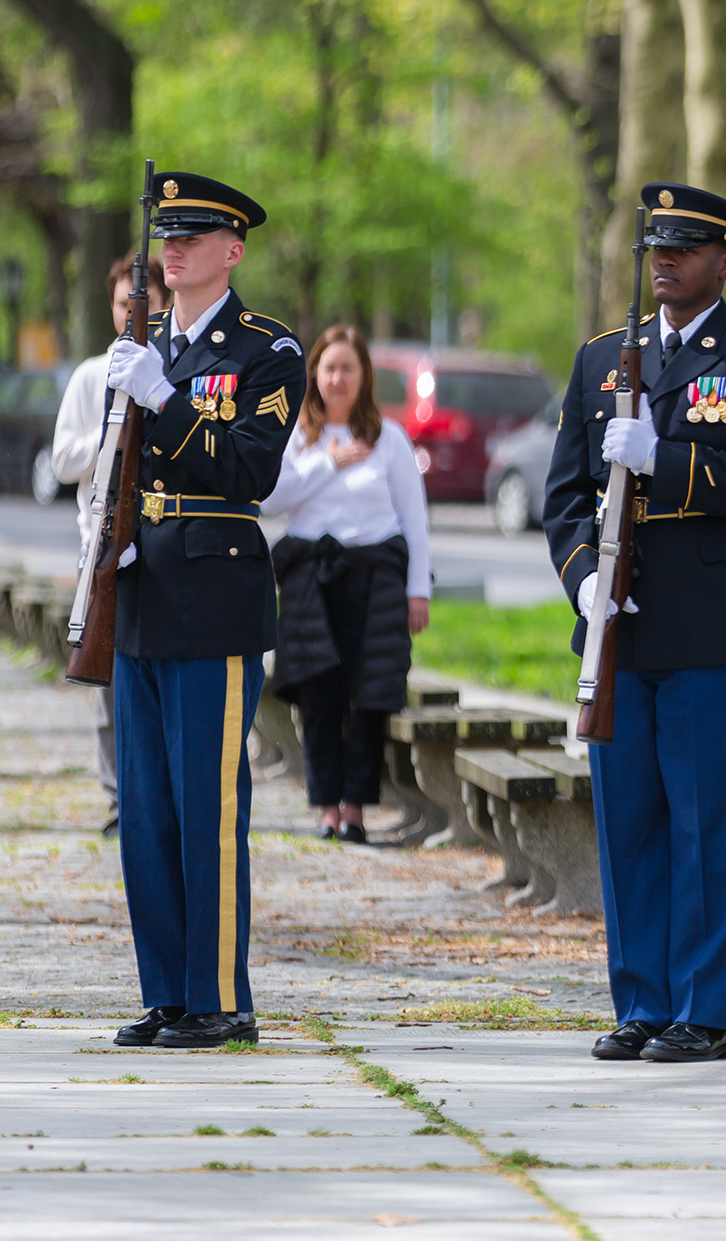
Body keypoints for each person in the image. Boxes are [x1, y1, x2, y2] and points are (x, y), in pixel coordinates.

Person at [544, 183, 726, 1064]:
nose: (665, 259)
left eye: (686, 247)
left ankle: (707, 1009)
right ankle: (643, 1002)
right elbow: (563, 501)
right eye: (656, 245)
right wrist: (585, 580)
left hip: (719, 630)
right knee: (631, 826)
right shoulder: (599, 361)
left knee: (712, 826)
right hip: (623, 628)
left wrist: (668, 457)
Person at [103, 171, 304, 1050]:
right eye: (165, 233)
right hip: (141, 589)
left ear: (235, 250)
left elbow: (250, 468)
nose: (171, 247)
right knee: (145, 807)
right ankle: (167, 994)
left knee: (206, 805)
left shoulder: (268, 351)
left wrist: (163, 400)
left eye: (192, 234)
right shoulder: (147, 346)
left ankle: (220, 997)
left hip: (214, 595)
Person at [260, 327, 432, 843]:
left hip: (375, 579)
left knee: (368, 697)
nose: (337, 378)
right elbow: (271, 499)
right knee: (319, 698)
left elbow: (414, 519)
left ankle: (356, 809)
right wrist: (326, 463)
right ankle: (327, 808)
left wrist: (417, 590)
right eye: (329, 367)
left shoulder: (389, 439)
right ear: (314, 373)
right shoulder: (297, 435)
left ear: (364, 377)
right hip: (311, 578)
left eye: (348, 368)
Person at [52, 250, 162, 838]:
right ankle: (119, 799)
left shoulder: (170, 369)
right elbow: (63, 457)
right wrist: (110, 437)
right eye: (124, 304)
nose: (132, 315)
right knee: (105, 678)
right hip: (99, 546)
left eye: (143, 304)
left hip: (159, 547)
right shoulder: (91, 375)